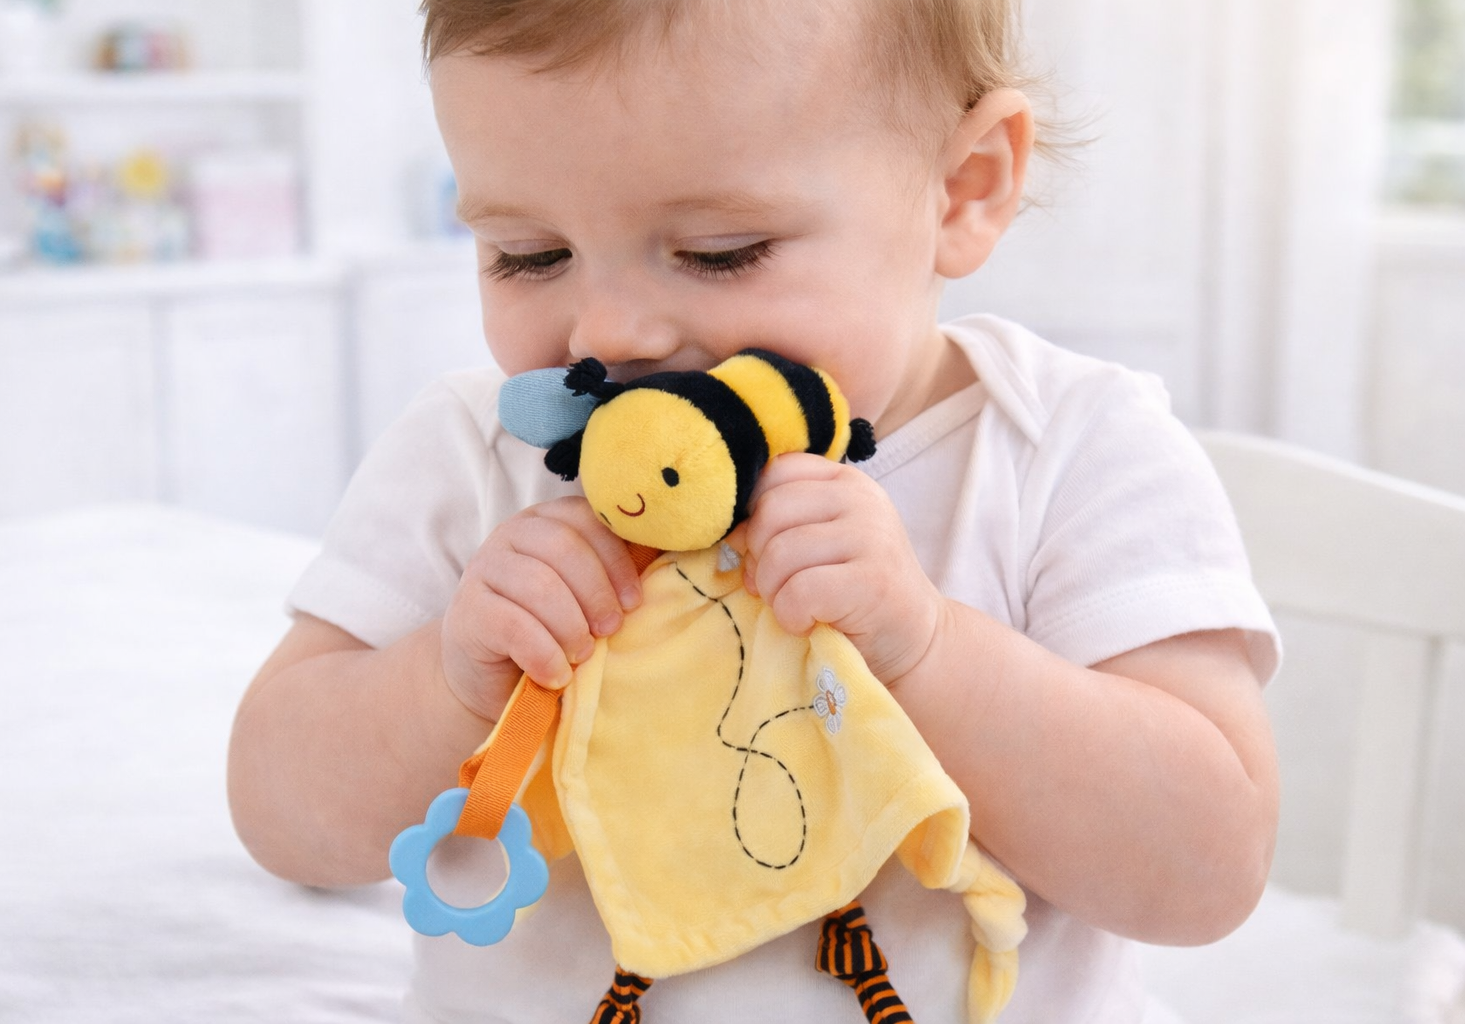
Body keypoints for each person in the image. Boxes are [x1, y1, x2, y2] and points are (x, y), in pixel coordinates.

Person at [226, 1, 1282, 1021]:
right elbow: (281, 816)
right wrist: (450, 680)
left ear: (963, 188)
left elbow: (1206, 869)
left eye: (719, 250)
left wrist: (927, 645)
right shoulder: (472, 454)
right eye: (530, 254)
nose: (609, 332)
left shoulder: (1066, 449)